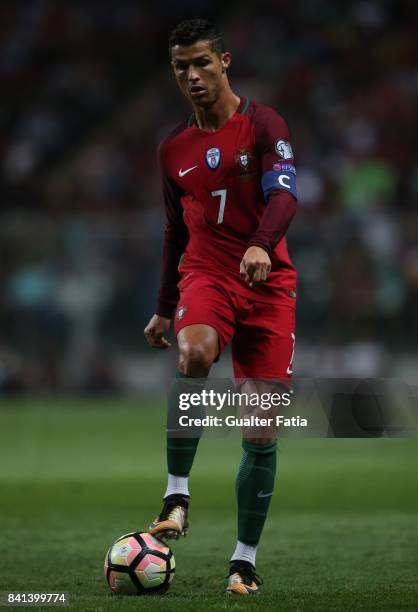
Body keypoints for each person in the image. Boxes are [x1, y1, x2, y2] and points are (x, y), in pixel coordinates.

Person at [144, 18, 298, 595]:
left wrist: (261, 242)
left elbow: (285, 193)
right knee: (194, 350)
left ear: (225, 62)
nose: (192, 76)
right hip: (207, 275)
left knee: (260, 430)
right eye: (181, 66)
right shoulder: (172, 149)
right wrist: (164, 307)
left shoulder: (264, 125)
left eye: (202, 63)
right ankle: (176, 494)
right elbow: (172, 233)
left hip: (269, 282)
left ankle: (243, 563)